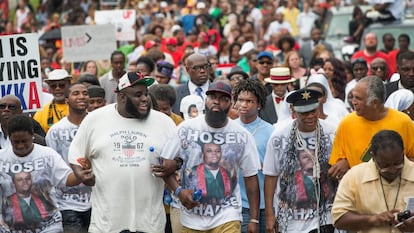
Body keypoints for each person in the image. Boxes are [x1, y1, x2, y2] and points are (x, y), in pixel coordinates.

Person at [68, 72, 177, 232]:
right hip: (106, 225)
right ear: (122, 97)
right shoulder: (95, 119)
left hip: (150, 224)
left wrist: (175, 164)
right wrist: (80, 173)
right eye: (138, 95)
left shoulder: (164, 122)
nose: (145, 99)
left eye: (146, 94)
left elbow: (180, 158)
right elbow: (75, 153)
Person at [161, 81, 261, 233]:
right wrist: (179, 191)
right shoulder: (186, 129)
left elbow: (251, 177)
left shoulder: (242, 135)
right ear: (205, 101)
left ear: (231, 104)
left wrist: (254, 218)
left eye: (223, 99)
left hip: (228, 214)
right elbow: (164, 166)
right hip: (191, 216)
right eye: (212, 96)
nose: (216, 101)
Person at [0, 115, 92, 232]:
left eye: (24, 141)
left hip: (49, 226)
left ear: (32, 135)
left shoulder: (47, 155)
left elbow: (67, 179)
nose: (20, 146)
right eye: (15, 142)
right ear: (9, 138)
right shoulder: (2, 158)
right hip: (10, 228)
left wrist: (80, 175)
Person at [263, 88, 337, 233]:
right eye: (304, 113)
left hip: (325, 215)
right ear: (293, 111)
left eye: (313, 111)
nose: (310, 116)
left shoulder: (333, 132)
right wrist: (270, 214)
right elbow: (271, 176)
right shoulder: (279, 136)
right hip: (291, 219)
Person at [328, 76, 414, 180]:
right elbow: (337, 161)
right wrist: (344, 162)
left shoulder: (403, 122)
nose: (353, 102)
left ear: (375, 103)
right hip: (359, 189)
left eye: (358, 98)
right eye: (353, 97)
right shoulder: (346, 123)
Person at [332, 130, 414, 233]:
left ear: (403, 152)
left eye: (398, 163)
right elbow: (339, 220)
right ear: (373, 157)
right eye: (385, 166)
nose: (392, 170)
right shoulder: (354, 176)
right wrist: (372, 220)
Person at [45, 83, 91, 232]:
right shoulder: (55, 131)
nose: (82, 96)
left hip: (97, 201)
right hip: (66, 204)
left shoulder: (98, 126)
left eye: (85, 93)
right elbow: (52, 168)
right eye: (76, 93)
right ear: (67, 100)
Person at [233, 79, 274, 233]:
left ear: (259, 104)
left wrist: (262, 165)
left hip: (265, 204)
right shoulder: (229, 129)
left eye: (249, 101)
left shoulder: (270, 131)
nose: (243, 105)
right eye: (240, 100)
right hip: (237, 204)